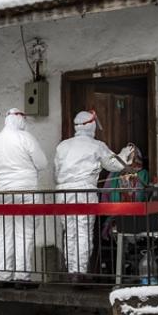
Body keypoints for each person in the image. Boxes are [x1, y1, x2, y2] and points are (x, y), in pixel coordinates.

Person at [54, 110, 123, 281]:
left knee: (69, 232)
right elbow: (115, 165)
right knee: (83, 231)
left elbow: (56, 173)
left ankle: (72, 272)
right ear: (91, 125)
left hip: (63, 192)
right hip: (84, 192)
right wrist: (124, 155)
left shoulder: (62, 146)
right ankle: (81, 272)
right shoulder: (96, 146)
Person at [0, 108, 47, 285]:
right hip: (26, 190)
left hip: (2, 192)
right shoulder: (26, 138)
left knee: (4, 233)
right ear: (20, 120)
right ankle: (22, 276)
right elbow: (42, 163)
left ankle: (4, 276)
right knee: (25, 233)